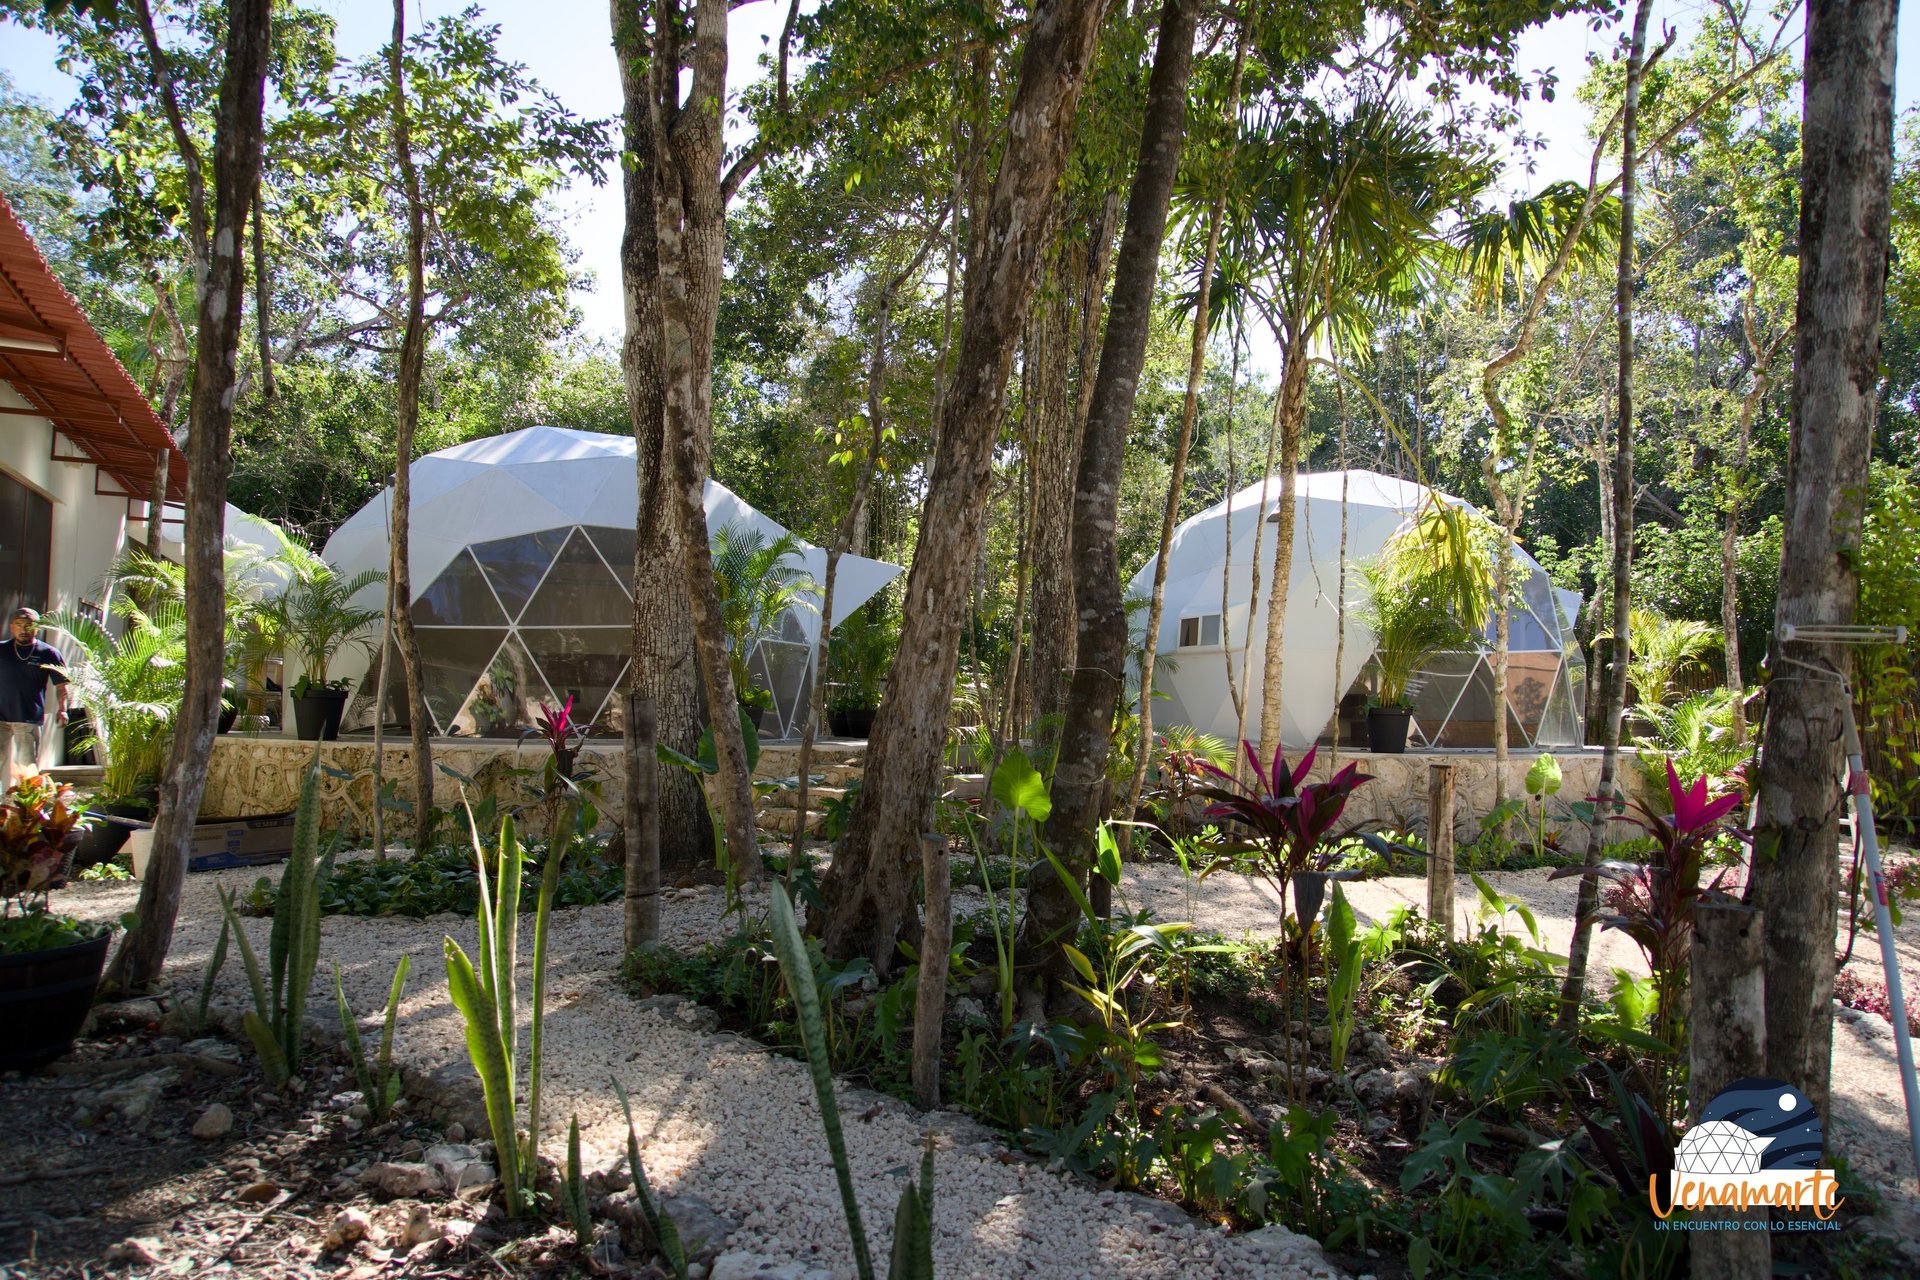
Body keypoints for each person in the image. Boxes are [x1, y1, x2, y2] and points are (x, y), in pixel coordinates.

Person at [2, 607, 69, 786]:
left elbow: (61, 685)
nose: (23, 629)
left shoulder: (49, 653)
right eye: (19, 625)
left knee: (27, 767)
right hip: (0, 718)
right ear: (11, 627)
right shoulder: (2, 649)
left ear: (37, 627)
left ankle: (25, 808)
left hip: (28, 718)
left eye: (29, 625)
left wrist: (63, 709)